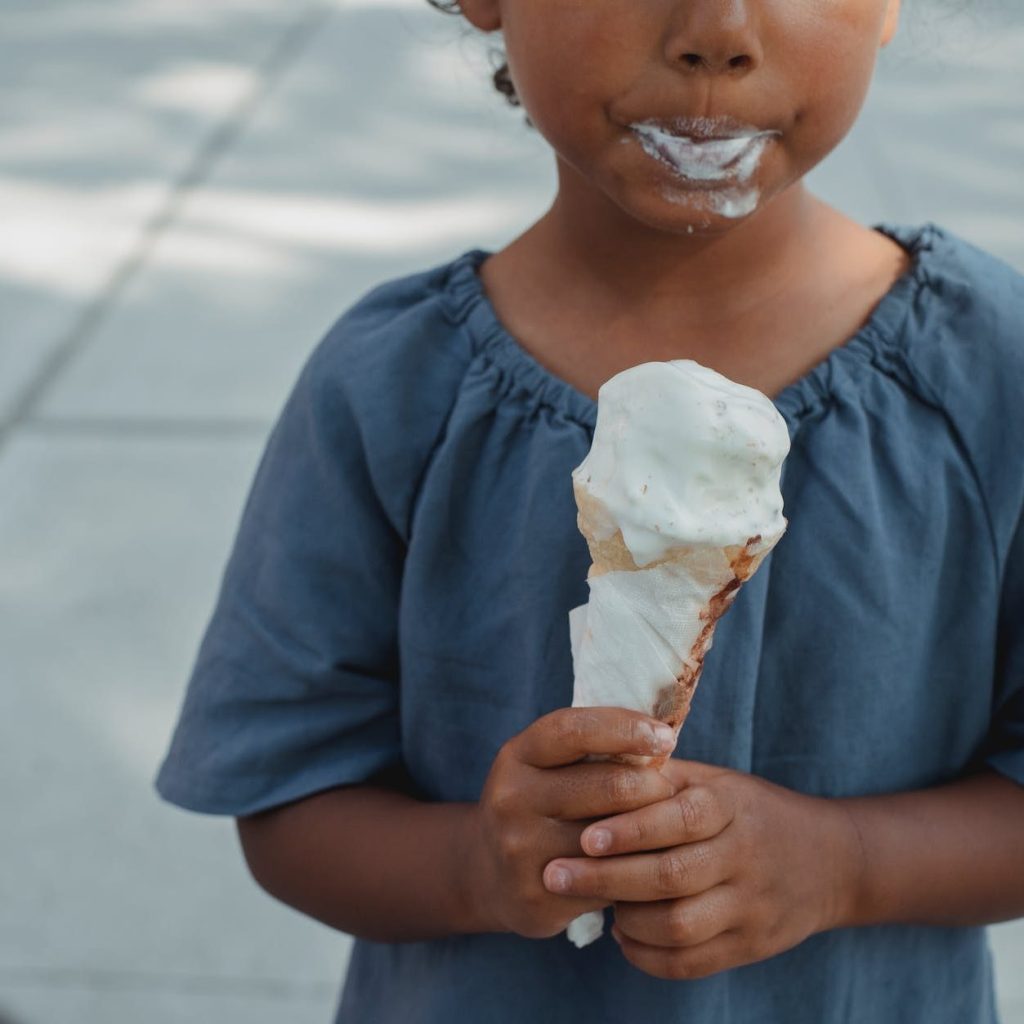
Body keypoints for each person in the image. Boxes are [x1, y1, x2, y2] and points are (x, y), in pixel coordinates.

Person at [155, 0, 1024, 1021]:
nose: (717, 30)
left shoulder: (989, 377)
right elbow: (289, 805)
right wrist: (476, 865)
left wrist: (847, 865)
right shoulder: (388, 390)